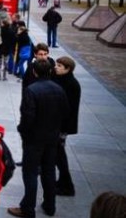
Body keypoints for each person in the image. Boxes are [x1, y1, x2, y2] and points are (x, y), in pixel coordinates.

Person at [7, 60, 69, 218]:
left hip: (34, 139)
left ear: (34, 72)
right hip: (52, 138)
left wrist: (23, 131)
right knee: (49, 171)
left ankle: (28, 208)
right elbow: (65, 112)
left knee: (31, 173)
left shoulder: (32, 90)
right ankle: (50, 205)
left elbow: (28, 117)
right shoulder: (59, 89)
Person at [52, 56, 81, 197]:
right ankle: (63, 181)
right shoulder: (60, 79)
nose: (56, 67)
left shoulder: (72, 84)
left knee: (59, 154)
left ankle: (67, 185)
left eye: (59, 66)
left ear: (68, 69)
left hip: (62, 126)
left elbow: (68, 109)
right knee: (58, 154)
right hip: (58, 124)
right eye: (56, 65)